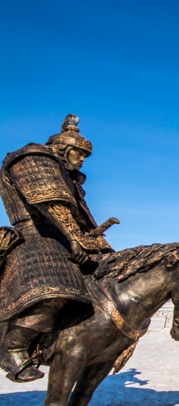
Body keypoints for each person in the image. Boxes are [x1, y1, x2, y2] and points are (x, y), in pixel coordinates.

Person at [0, 115, 115, 382]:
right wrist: (73, 238)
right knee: (55, 288)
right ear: (63, 148)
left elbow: (80, 217)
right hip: (36, 236)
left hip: (64, 236)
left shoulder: (72, 180)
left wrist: (100, 247)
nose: (82, 159)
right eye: (78, 153)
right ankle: (12, 348)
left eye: (85, 155)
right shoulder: (33, 157)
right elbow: (50, 202)